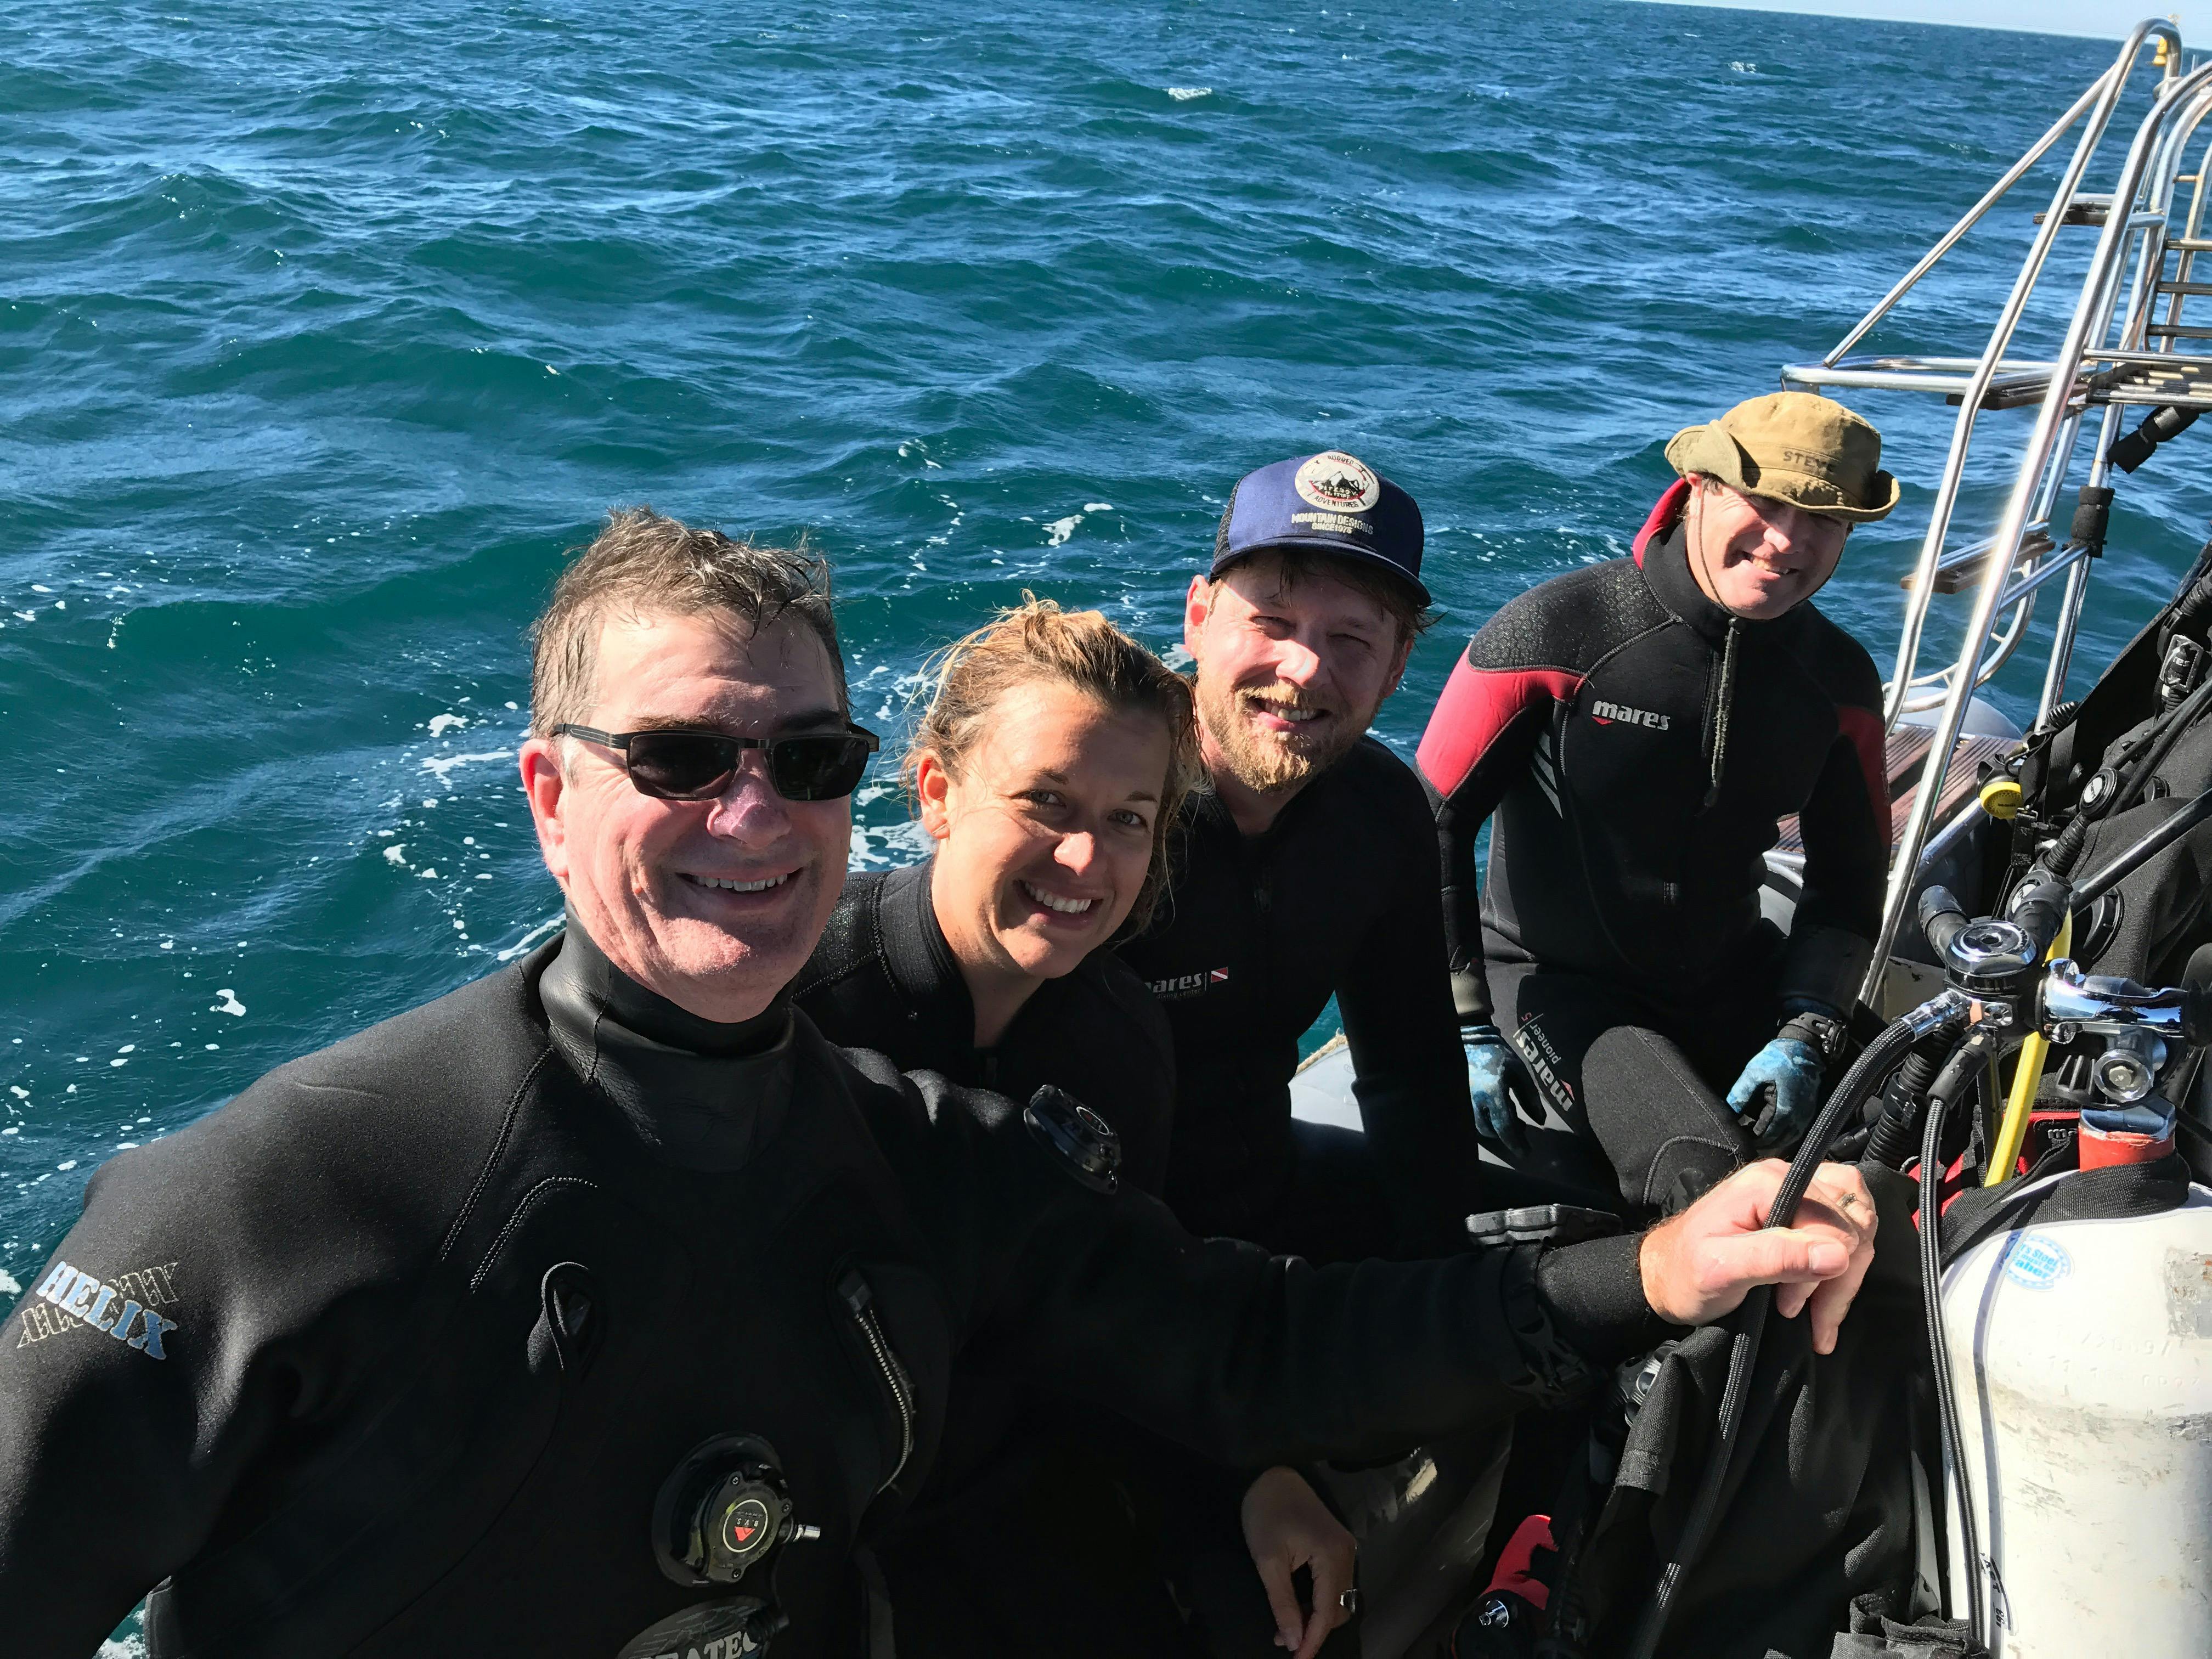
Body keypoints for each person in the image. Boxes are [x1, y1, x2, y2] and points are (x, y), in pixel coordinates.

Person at [0, 506, 1882, 1659]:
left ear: (856, 784)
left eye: (800, 759)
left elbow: (1239, 1344)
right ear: (547, 790)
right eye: (677, 757)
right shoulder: (282, 1194)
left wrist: (1651, 1275)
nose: (750, 816)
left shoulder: (942, 1142)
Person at [795, 597, 1354, 1658]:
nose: (1086, 861)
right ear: (937, 794)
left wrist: (1253, 1473)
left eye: (1129, 819)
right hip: (807, 1516)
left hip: (1018, 1479)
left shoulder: (1122, 1042)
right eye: (1045, 803)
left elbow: (1128, 1320)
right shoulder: (803, 1002)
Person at [1416, 392, 1895, 1216]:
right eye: (1767, 503)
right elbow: (1430, 823)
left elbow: (1851, 877)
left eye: (1825, 518)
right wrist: (1459, 1022)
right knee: (1702, 1179)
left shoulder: (1837, 680)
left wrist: (1807, 1026)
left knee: (1899, 1131)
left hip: (1727, 976)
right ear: (1700, 488)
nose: (1789, 541)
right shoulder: (1557, 636)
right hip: (1558, 987)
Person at [1120, 450, 1479, 1263]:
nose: (1305, 668)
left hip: (1263, 1189)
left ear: (1395, 669)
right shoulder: (1105, 799)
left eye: (1350, 639)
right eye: (1272, 625)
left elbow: (1410, 1073)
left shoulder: (1381, 814)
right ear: (1198, 618)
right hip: (1081, 1235)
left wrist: (1449, 1288)